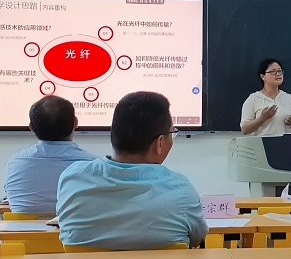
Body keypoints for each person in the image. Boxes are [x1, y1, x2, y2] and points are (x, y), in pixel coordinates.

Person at [57, 91, 208, 250]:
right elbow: (197, 238)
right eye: (172, 133)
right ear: (160, 143)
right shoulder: (182, 190)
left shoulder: (72, 179)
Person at [4, 95, 97, 215]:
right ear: (75, 122)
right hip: (73, 227)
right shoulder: (95, 166)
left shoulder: (15, 163)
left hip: (24, 228)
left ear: (31, 127)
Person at [240, 58, 291, 136]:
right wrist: (262, 118)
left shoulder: (290, 98)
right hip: (262, 143)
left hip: (287, 142)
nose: (278, 74)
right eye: (273, 72)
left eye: (280, 71)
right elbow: (245, 129)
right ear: (263, 76)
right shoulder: (253, 99)